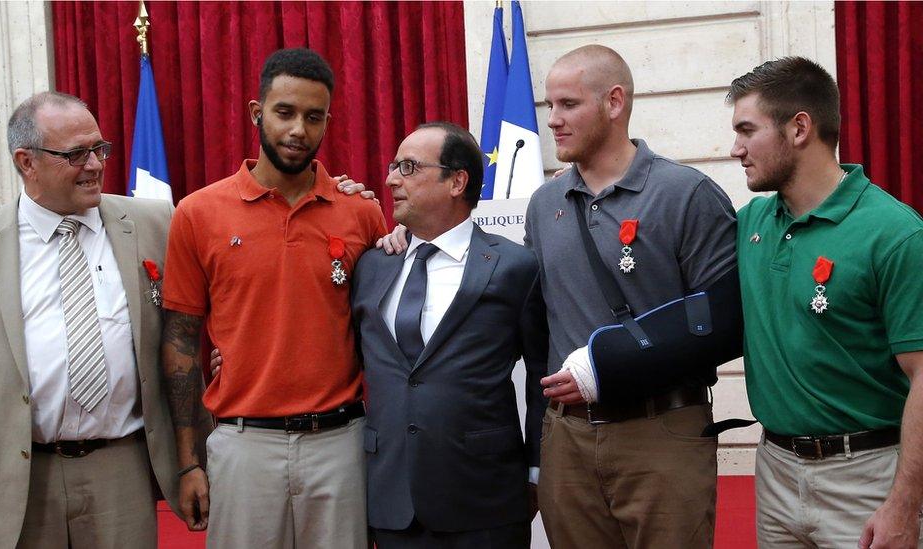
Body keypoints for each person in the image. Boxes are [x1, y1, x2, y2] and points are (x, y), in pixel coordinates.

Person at [161, 47, 387, 548]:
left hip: (341, 444)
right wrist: (188, 462)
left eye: (314, 117)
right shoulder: (198, 214)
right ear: (256, 112)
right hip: (244, 445)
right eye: (285, 113)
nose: (298, 131)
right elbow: (180, 343)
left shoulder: (362, 213)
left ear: (328, 122)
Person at [0, 91, 184, 548]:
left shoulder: (157, 224)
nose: (95, 164)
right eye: (76, 154)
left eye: (99, 148)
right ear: (26, 162)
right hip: (16, 477)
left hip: (121, 469)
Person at [526, 45, 737, 548]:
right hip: (568, 440)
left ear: (614, 102)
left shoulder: (686, 194)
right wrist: (407, 238)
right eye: (549, 106)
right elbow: (529, 315)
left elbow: (727, 323)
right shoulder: (544, 203)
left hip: (660, 430)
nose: (552, 120)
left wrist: (611, 366)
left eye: (568, 104)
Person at [729, 57, 923, 549]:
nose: (736, 149)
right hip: (773, 470)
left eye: (747, 131)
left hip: (867, 480)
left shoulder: (895, 233)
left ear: (799, 128)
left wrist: (904, 505)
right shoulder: (750, 222)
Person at [349, 122, 548, 547]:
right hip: (390, 499)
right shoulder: (373, 265)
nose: (390, 179)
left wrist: (537, 467)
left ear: (457, 181)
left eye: (408, 167)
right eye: (393, 166)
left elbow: (540, 377)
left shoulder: (515, 267)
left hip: (485, 500)